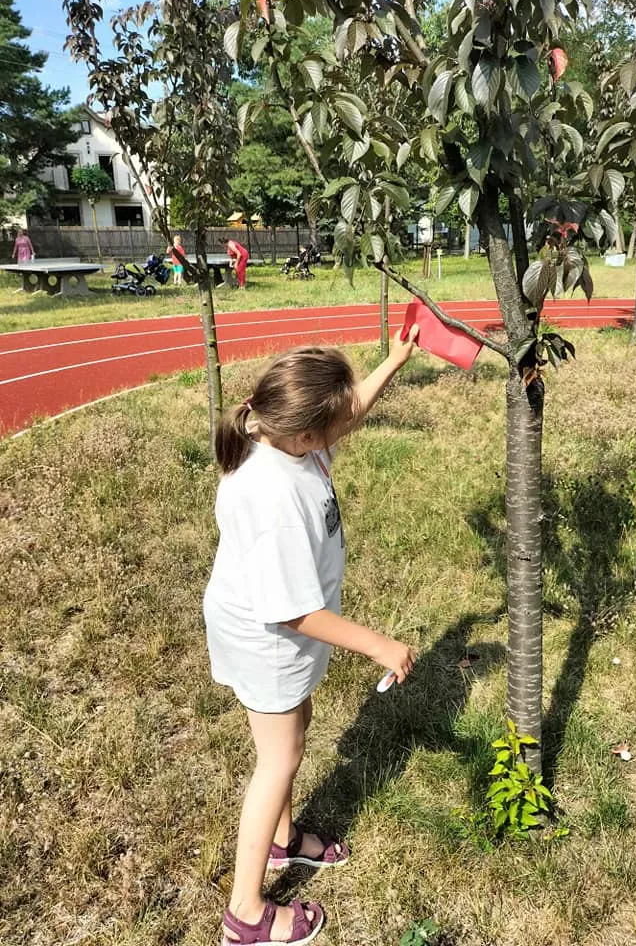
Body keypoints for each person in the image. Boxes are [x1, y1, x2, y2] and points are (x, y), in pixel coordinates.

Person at [204, 327, 419, 946]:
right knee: (278, 760)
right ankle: (245, 913)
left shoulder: (283, 437)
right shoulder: (273, 497)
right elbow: (292, 611)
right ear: (304, 435)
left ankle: (283, 842)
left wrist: (395, 361)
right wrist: (380, 644)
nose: (346, 420)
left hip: (278, 631)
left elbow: (346, 414)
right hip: (268, 636)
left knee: (292, 738)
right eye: (333, 420)